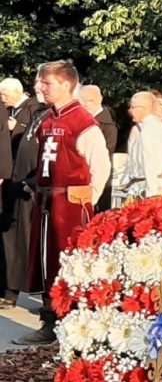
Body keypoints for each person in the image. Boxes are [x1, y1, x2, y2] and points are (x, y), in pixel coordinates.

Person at [16, 61, 110, 345]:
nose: (40, 88)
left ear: (67, 85)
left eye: (47, 83)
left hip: (70, 203)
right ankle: (49, 320)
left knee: (69, 260)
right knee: (45, 261)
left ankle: (73, 325)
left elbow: (100, 166)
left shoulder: (82, 122)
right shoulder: (47, 119)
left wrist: (86, 200)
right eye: (40, 82)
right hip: (46, 201)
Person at [0, 73, 46, 307]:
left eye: (5, 94)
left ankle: (15, 289)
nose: (2, 98)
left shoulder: (33, 109)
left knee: (21, 238)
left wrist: (15, 127)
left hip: (28, 183)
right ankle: (7, 286)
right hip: (13, 181)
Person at [120, 92, 162, 199]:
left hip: (148, 188)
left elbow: (149, 160)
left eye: (133, 107)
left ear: (143, 109)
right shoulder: (157, 126)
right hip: (154, 185)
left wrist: (151, 193)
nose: (130, 110)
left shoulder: (148, 130)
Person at [78, 85, 118, 212]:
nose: (85, 105)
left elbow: (103, 156)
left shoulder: (107, 125)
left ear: (99, 99)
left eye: (90, 101)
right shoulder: (81, 120)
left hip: (98, 178)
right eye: (82, 101)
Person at [0, 78, 43, 158]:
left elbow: (39, 133)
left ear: (17, 92)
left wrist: (17, 127)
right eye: (0, 95)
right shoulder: (8, 109)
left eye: (5, 95)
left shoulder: (35, 107)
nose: (3, 99)